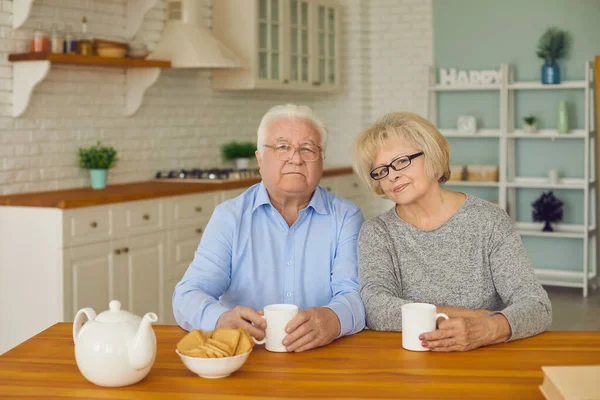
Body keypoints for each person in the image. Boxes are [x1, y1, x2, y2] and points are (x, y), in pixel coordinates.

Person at [352, 111, 552, 352]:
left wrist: (487, 329)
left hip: (483, 359)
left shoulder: (488, 220)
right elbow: (375, 308)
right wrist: (468, 316)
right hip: (406, 361)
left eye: (402, 161)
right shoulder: (377, 232)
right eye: (381, 170)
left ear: (432, 155)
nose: (392, 174)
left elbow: (537, 306)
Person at [173, 104, 366, 352]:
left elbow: (354, 294)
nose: (295, 158)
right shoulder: (229, 217)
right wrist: (219, 320)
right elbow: (188, 293)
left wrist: (334, 319)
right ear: (260, 159)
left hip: (321, 355)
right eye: (283, 147)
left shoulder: (346, 217)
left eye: (308, 149)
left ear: (322, 162)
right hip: (245, 357)